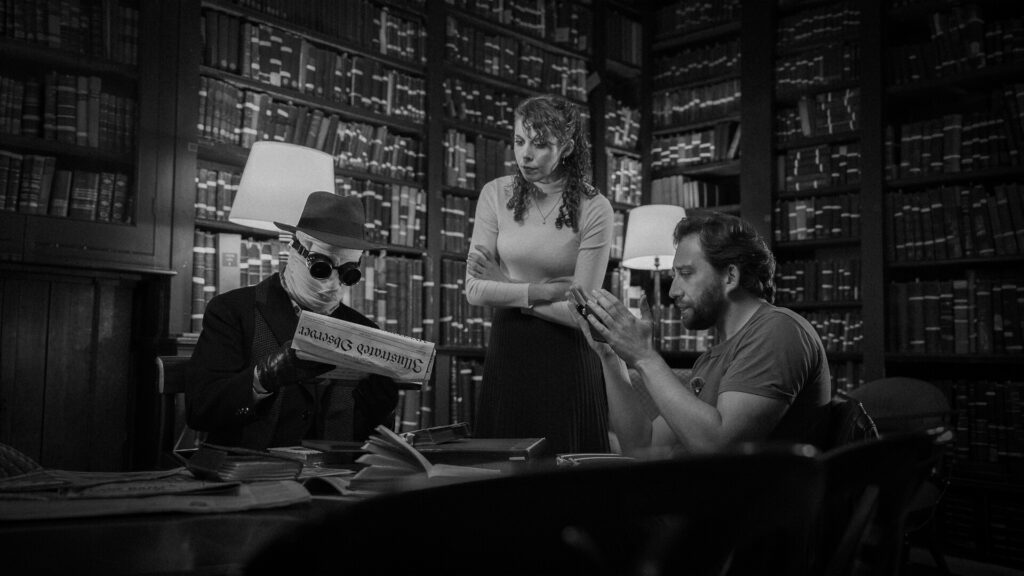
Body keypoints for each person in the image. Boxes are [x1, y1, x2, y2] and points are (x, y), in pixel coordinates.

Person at [569, 211, 831, 457]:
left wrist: (644, 356)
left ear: (730, 276)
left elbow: (719, 448)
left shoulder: (778, 330)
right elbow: (642, 446)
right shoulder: (710, 361)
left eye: (686, 273)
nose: (673, 291)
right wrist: (611, 354)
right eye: (674, 275)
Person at [186, 192, 399, 450]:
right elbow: (200, 410)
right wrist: (262, 378)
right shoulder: (233, 311)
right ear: (295, 251)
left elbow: (367, 442)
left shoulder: (364, 331)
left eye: (348, 273)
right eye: (321, 267)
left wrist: (381, 408)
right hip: (254, 466)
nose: (333, 283)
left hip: (334, 469)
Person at [465, 94, 614, 453]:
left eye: (540, 144)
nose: (525, 154)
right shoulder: (495, 195)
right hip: (509, 350)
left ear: (567, 147)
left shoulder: (595, 207)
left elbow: (581, 313)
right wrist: (547, 291)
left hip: (570, 356)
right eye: (519, 141)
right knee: (503, 469)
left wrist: (507, 285)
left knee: (568, 470)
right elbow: (474, 290)